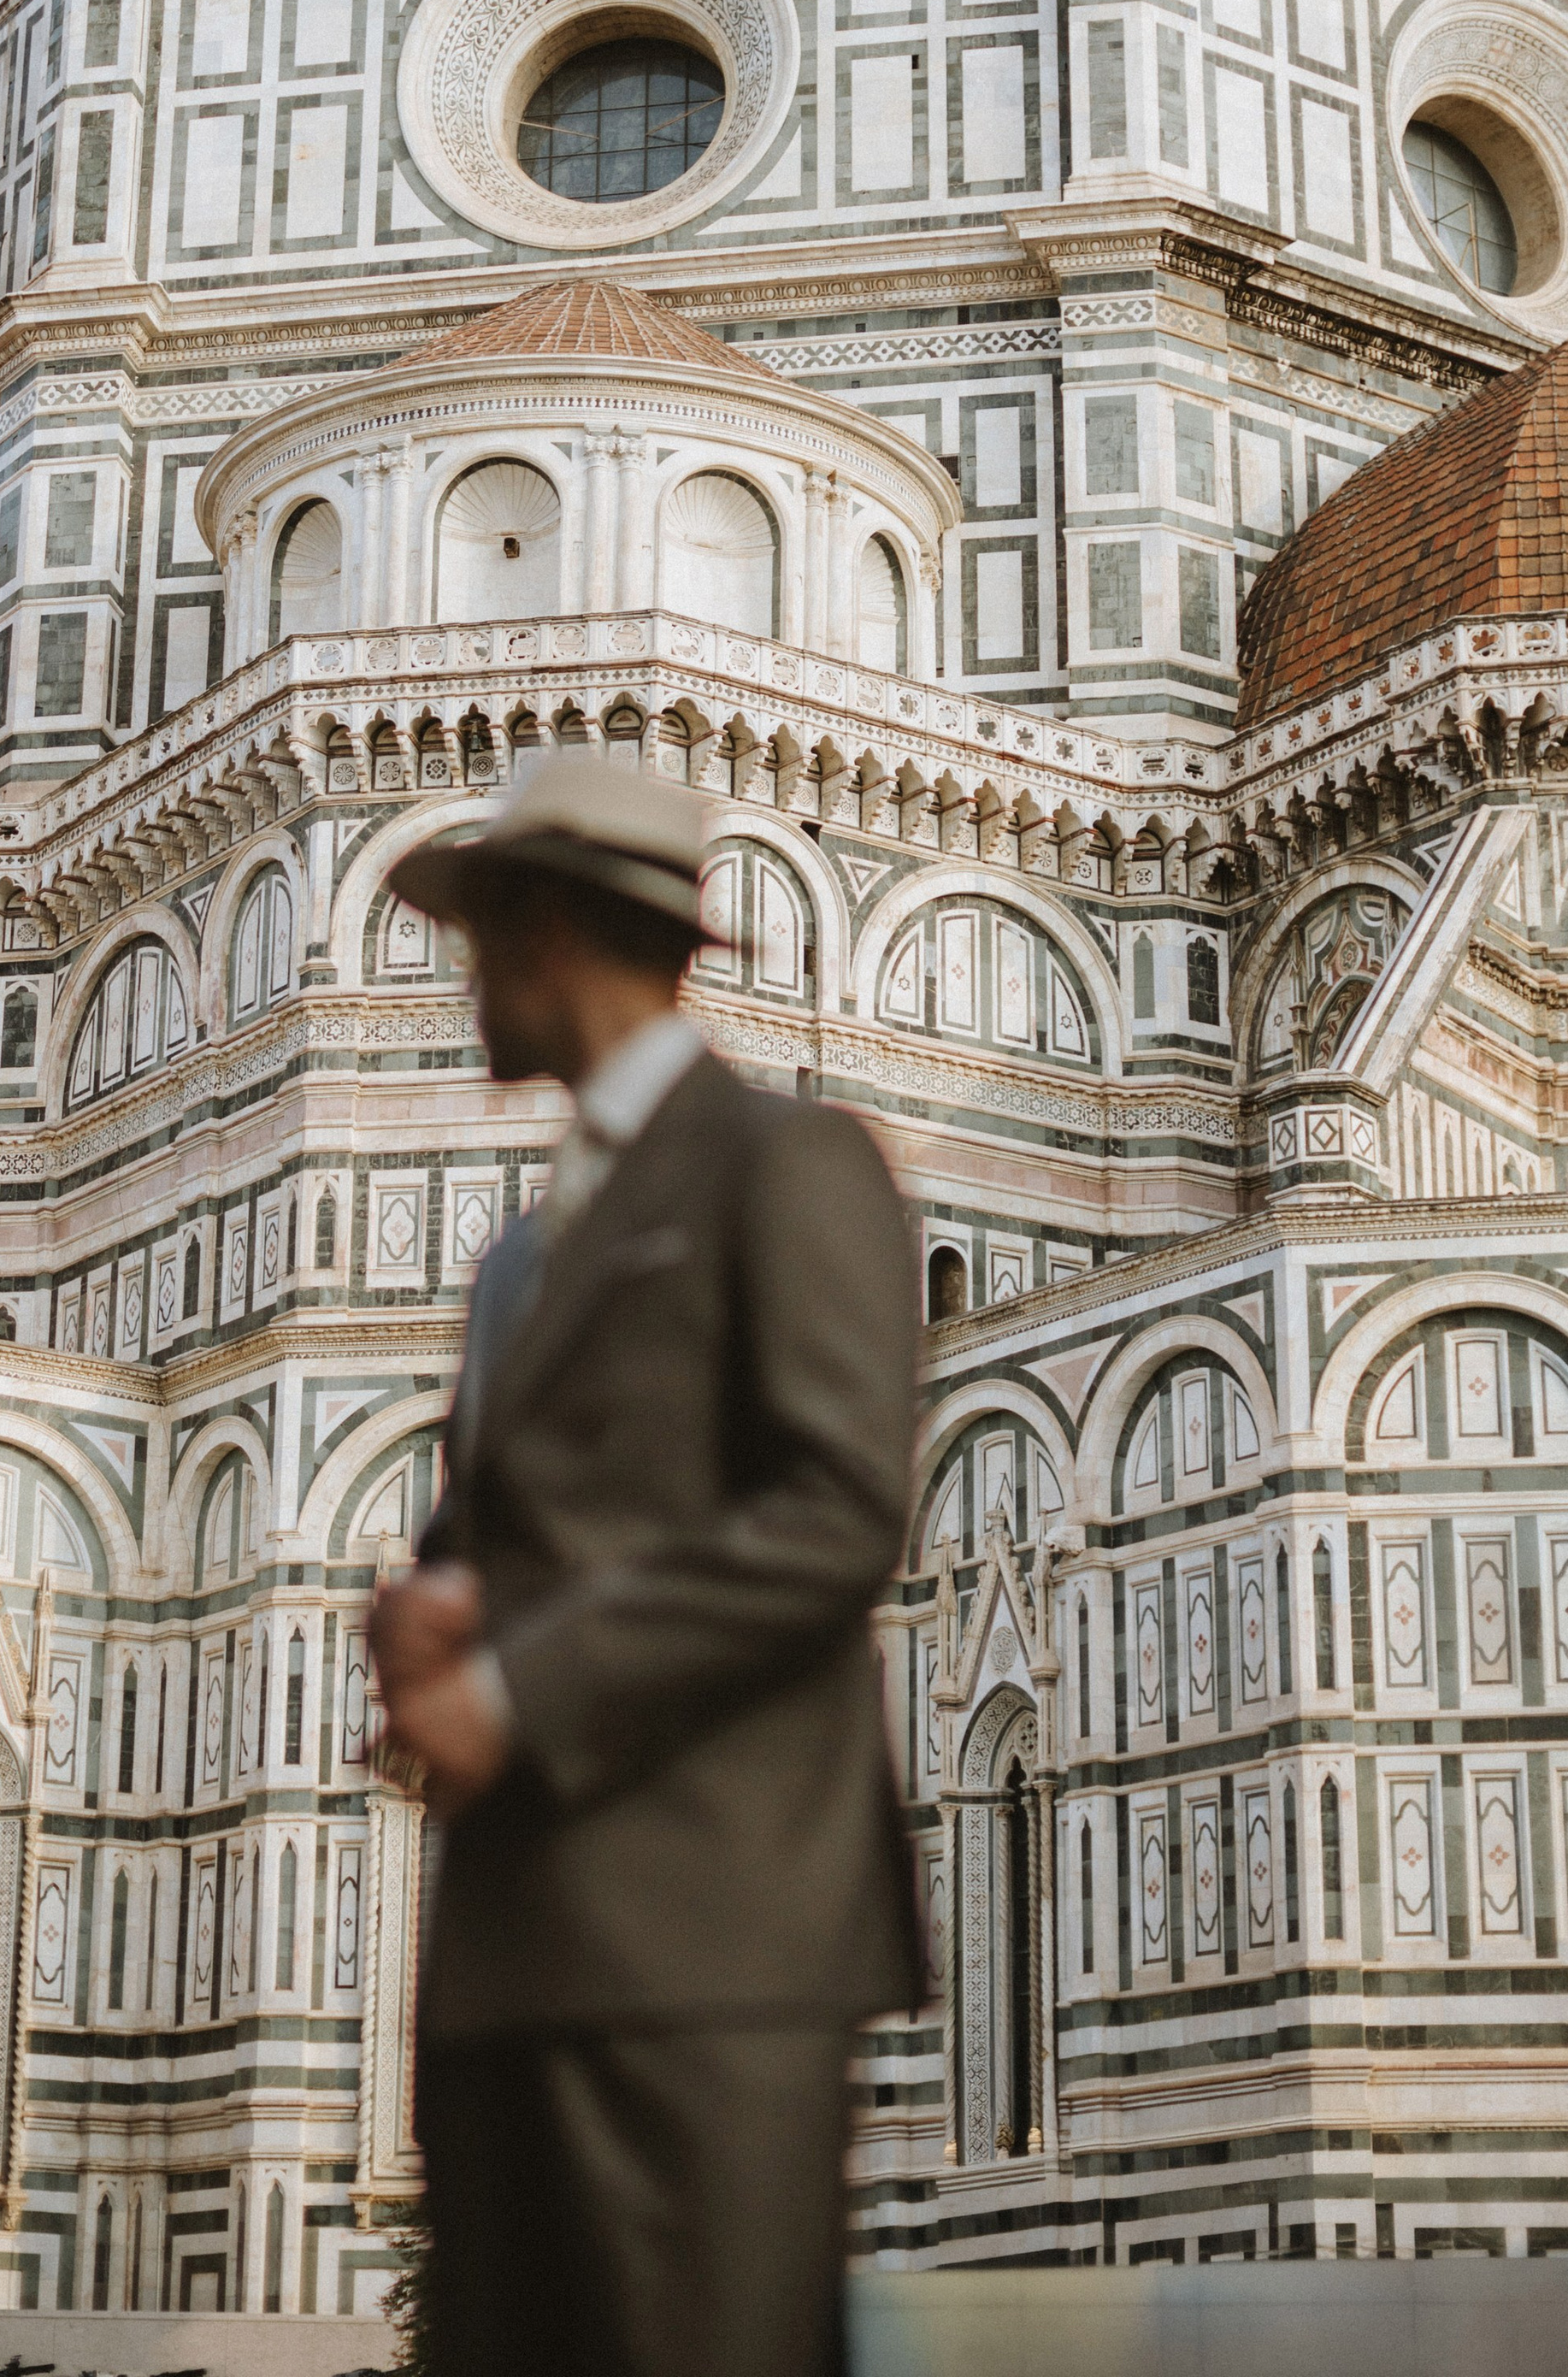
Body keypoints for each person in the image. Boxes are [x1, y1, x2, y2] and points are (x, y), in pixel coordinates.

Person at [369, 751, 921, 2377]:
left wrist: (521, 1690)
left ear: (546, 934)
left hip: (706, 1953)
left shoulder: (789, 1167)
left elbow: (833, 1513)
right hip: (506, 1956)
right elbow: (498, 1531)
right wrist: (427, 1616)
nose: (465, 984)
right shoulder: (523, 1253)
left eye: (476, 939)